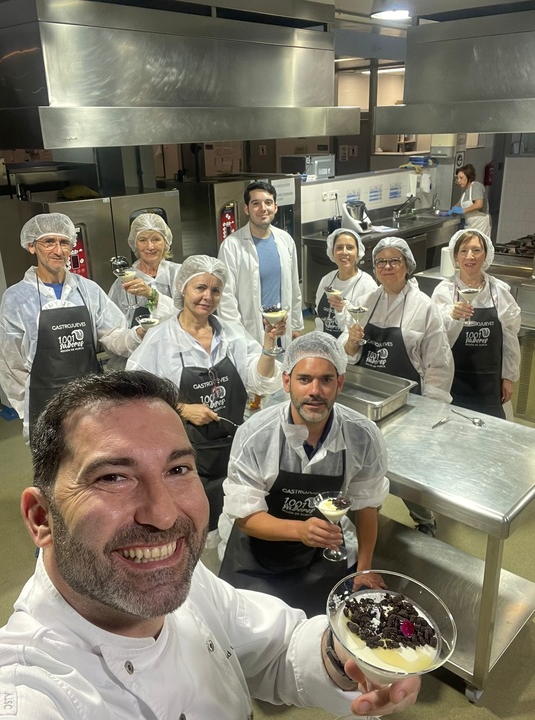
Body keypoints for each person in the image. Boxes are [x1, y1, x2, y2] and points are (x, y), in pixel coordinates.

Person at [0, 371, 421, 719]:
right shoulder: (30, 691)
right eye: (112, 477)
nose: (163, 516)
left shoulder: (188, 578)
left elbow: (278, 649)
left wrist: (346, 653)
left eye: (178, 469)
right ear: (40, 518)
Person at [218, 332, 389, 617]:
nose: (315, 391)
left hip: (319, 557)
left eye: (326, 380)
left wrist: (364, 569)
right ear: (287, 382)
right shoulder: (256, 434)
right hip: (256, 558)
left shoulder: (362, 436)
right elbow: (245, 516)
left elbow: (366, 505)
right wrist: (301, 531)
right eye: (304, 379)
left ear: (340, 383)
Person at [127, 255, 283, 534]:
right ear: (182, 289)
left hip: (234, 449)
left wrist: (269, 345)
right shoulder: (160, 340)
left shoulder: (232, 335)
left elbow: (260, 380)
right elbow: (136, 394)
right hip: (184, 457)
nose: (207, 296)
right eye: (200, 288)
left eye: (215, 290)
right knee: (194, 527)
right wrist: (181, 408)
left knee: (236, 523)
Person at [339, 237, 454, 537]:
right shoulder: (366, 302)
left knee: (407, 468)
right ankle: (366, 518)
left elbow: (438, 363)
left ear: (407, 265)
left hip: (408, 402)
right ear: (374, 267)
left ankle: (424, 520)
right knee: (366, 465)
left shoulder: (424, 307)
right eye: (381, 262)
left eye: (394, 261)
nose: (387, 267)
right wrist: (351, 343)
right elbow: (348, 355)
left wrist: (434, 406)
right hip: (370, 397)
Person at [0, 213, 142, 441]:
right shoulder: (17, 298)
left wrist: (139, 334)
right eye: (48, 242)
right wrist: (29, 409)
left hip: (91, 402)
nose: (58, 250)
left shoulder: (88, 290)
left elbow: (114, 335)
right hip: (44, 405)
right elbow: (10, 363)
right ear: (32, 246)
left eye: (64, 242)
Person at [431, 229, 521, 419]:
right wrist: (451, 317)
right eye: (463, 251)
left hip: (490, 383)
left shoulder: (499, 292)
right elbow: (435, 341)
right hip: (453, 381)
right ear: (455, 256)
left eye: (476, 250)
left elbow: (510, 339)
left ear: (486, 254)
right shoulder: (444, 291)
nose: (469, 257)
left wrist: (509, 377)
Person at [218, 180, 304, 348]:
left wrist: (295, 325)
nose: (263, 208)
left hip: (281, 328)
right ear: (246, 209)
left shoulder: (285, 240)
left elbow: (293, 287)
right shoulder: (231, 245)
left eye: (268, 203)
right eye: (255, 203)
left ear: (275, 207)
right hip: (249, 333)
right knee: (256, 372)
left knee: (281, 371)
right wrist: (235, 336)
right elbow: (226, 297)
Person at [108, 212, 181, 328]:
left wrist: (153, 296)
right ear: (134, 244)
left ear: (166, 243)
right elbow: (112, 327)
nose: (150, 246)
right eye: (142, 240)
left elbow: (189, 315)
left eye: (156, 239)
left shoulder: (180, 274)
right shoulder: (123, 281)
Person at [315, 227, 377, 337]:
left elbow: (367, 326)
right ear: (332, 252)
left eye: (350, 248)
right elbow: (320, 320)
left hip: (352, 349)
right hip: (326, 345)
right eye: (339, 247)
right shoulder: (327, 280)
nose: (344, 252)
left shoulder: (367, 285)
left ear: (358, 253)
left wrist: (342, 309)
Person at [448, 163, 491, 236]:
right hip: (470, 225)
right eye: (458, 178)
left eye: (461, 178)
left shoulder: (477, 186)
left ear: (469, 177)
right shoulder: (465, 192)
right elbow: (458, 205)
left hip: (480, 225)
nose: (459, 181)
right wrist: (450, 212)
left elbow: (479, 204)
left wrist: (463, 210)